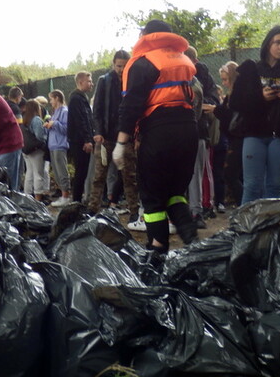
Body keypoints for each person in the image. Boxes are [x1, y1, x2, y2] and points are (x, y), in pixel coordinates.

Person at [113, 19, 198, 251]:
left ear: (146, 36)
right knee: (175, 193)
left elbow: (131, 105)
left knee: (152, 195)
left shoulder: (142, 62)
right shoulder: (183, 60)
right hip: (189, 130)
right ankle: (192, 240)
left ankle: (158, 249)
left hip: (159, 132)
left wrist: (121, 142)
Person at [228, 26, 280, 205]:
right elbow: (235, 102)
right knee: (252, 185)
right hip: (254, 133)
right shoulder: (251, 69)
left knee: (274, 186)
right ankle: (245, 229)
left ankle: (269, 229)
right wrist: (261, 97)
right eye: (277, 42)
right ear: (268, 44)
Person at [88, 50, 141, 224]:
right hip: (106, 137)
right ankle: (92, 209)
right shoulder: (104, 81)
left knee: (129, 177)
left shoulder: (131, 81)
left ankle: (134, 211)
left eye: (124, 66)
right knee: (99, 177)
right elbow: (97, 109)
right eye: (119, 66)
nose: (121, 69)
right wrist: (98, 132)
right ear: (113, 64)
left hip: (126, 138)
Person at [185, 46, 220, 228]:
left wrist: (206, 105)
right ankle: (186, 211)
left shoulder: (200, 75)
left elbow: (213, 98)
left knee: (197, 173)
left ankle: (197, 211)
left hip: (198, 130)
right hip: (179, 130)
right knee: (188, 173)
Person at [213, 62, 243, 207]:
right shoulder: (231, 94)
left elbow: (229, 115)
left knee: (231, 174)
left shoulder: (237, 94)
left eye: (225, 79)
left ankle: (243, 205)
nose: (223, 83)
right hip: (233, 139)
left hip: (238, 139)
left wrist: (215, 110)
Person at [67, 71, 95, 203]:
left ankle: (78, 200)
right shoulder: (76, 99)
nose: (91, 84)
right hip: (79, 142)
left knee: (82, 172)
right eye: (89, 81)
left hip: (81, 140)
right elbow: (81, 121)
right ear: (80, 82)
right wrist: (87, 140)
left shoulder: (81, 97)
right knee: (81, 172)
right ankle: (76, 201)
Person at [45, 90, 71, 206]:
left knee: (62, 171)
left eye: (51, 99)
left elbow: (67, 129)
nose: (50, 102)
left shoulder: (65, 111)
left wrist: (54, 124)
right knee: (56, 171)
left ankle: (66, 196)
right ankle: (62, 195)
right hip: (53, 145)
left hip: (60, 145)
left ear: (57, 98)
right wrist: (48, 125)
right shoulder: (55, 112)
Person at [21, 99, 48, 201]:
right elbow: (40, 137)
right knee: (38, 174)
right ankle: (38, 198)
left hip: (26, 149)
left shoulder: (25, 119)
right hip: (36, 150)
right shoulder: (36, 119)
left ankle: (27, 197)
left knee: (29, 173)